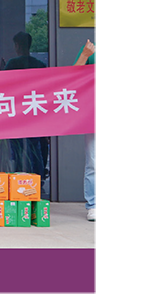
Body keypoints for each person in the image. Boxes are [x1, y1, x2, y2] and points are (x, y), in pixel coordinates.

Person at [2, 31, 49, 182]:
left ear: (17, 45)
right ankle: (38, 179)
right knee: (36, 148)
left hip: (16, 112)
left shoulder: (12, 64)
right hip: (35, 111)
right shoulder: (40, 65)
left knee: (17, 149)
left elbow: (3, 85)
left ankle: (18, 180)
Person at [74, 39, 96, 221]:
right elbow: (73, 76)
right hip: (94, 114)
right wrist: (85, 55)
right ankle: (94, 205)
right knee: (94, 162)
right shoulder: (91, 50)